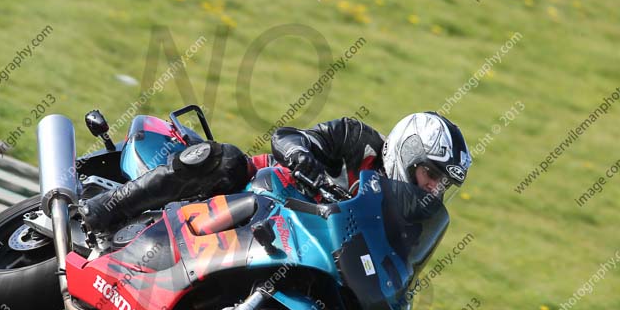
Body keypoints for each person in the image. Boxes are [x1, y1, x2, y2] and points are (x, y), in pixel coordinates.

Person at [80, 112, 471, 231]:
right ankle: (110, 205)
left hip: (291, 240)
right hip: (253, 193)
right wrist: (303, 160)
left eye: (443, 184)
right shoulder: (357, 139)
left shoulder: (401, 216)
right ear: (410, 154)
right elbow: (287, 137)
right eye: (432, 175)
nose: (434, 188)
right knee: (228, 159)